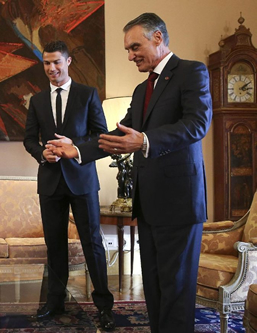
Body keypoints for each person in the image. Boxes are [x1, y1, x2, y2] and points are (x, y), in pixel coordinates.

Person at [47, 13, 212, 333]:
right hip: (148, 203)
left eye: (135, 46)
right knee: (154, 287)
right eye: (127, 49)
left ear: (158, 38)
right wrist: (77, 149)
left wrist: (147, 140)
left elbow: (197, 125)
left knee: (176, 289)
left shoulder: (192, 72)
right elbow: (117, 136)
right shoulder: (141, 89)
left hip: (180, 203)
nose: (130, 55)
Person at [23, 40, 115, 330]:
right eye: (47, 63)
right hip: (50, 182)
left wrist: (73, 147)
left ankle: (104, 306)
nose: (52, 68)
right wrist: (42, 153)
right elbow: (28, 139)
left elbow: (102, 137)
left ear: (68, 62)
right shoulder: (36, 100)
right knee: (55, 245)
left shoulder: (88, 95)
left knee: (92, 243)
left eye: (57, 62)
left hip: (82, 180)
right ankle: (54, 302)